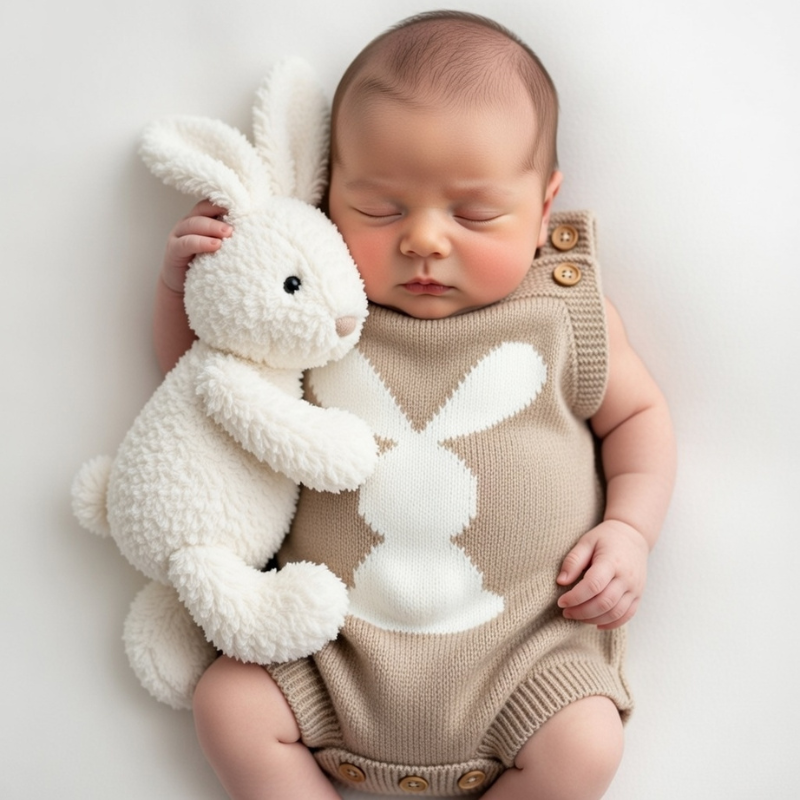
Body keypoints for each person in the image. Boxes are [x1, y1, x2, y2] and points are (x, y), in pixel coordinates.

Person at [152, 11, 675, 800]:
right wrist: (180, 285)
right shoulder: (322, 314)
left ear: (544, 205)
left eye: (473, 213)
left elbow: (639, 421)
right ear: (330, 195)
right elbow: (200, 391)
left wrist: (630, 531)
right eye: (380, 209)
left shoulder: (568, 316)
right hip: (327, 654)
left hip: (523, 660)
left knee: (586, 745)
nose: (425, 240)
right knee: (228, 702)